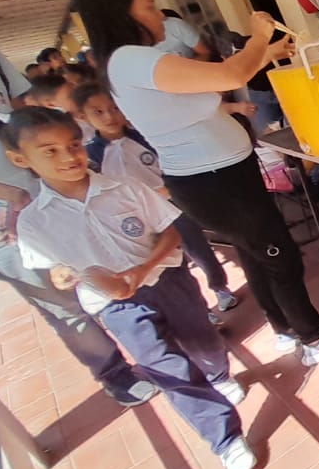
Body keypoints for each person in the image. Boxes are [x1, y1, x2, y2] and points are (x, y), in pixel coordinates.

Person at [71, 0, 319, 366]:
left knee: (259, 255)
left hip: (220, 176)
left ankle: (284, 329)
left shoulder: (133, 62)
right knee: (280, 257)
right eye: (150, 5)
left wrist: (269, 52)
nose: (161, 15)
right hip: (214, 182)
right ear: (119, 12)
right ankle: (313, 338)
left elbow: (212, 81)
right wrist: (259, 36)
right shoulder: (130, 59)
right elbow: (230, 73)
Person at [0, 107, 257, 469]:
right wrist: (64, 276)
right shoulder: (34, 221)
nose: (69, 157)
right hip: (114, 305)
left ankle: (218, 375)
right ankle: (225, 439)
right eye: (50, 151)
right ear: (20, 159)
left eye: (73, 145)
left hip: (168, 281)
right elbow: (53, 269)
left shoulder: (124, 187)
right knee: (167, 368)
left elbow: (169, 229)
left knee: (203, 340)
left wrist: (141, 268)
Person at [0, 3, 154, 407]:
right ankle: (115, 372)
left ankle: (157, 337)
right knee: (62, 300)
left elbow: (20, 114)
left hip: (47, 188)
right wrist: (11, 196)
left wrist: (59, 163)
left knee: (112, 258)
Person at [72, 82, 241, 319]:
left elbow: (174, 165)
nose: (109, 116)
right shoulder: (92, 156)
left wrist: (169, 189)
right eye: (97, 111)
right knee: (168, 263)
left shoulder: (145, 138)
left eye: (114, 108)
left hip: (171, 206)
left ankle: (220, 287)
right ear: (82, 116)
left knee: (197, 248)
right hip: (134, 219)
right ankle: (201, 309)